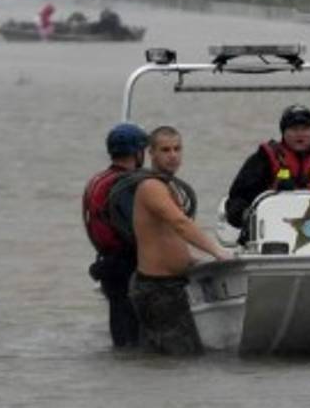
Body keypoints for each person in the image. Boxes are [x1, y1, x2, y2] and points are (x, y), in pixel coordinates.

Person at [130, 163, 233, 356]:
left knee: (163, 361)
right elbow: (180, 223)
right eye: (165, 150)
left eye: (177, 149)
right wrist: (217, 251)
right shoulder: (151, 186)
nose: (172, 156)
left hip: (170, 286)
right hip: (156, 289)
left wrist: (189, 258)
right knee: (183, 358)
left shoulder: (167, 186)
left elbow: (167, 234)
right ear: (151, 153)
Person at [224, 104, 310, 232]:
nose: (300, 134)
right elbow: (236, 199)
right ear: (283, 132)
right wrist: (246, 215)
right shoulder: (263, 159)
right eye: (294, 129)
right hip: (273, 232)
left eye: (305, 129)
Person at [82, 122, 149, 347]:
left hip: (107, 261)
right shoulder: (125, 184)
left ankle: (122, 360)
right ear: (137, 153)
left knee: (119, 324)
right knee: (132, 331)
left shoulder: (99, 179)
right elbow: (136, 225)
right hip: (125, 264)